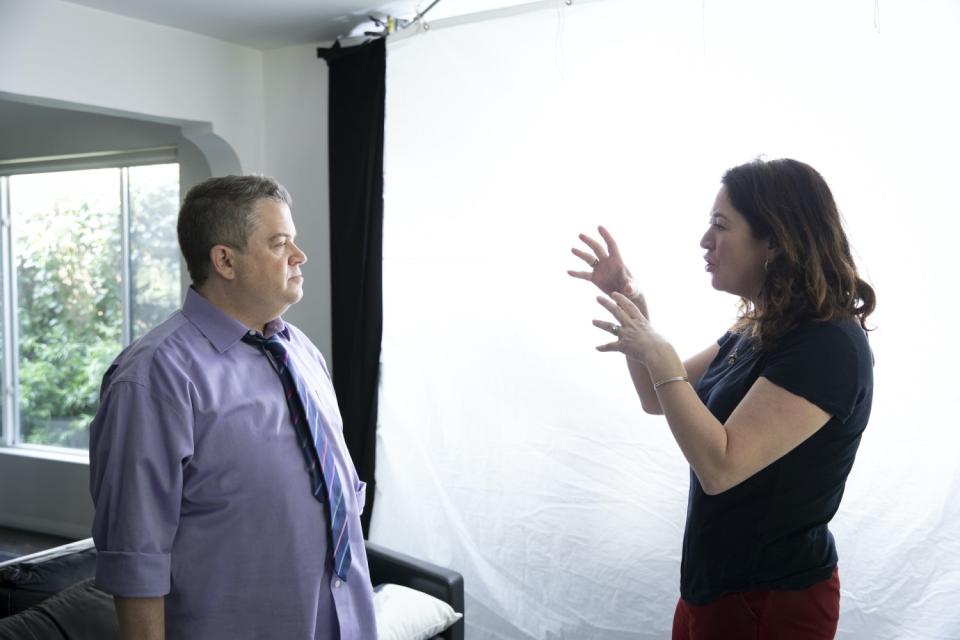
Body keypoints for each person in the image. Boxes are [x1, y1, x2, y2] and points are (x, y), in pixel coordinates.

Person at [569, 158, 875, 640]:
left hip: (770, 602)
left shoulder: (826, 345)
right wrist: (631, 301)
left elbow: (721, 467)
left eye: (720, 225)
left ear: (775, 241)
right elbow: (659, 396)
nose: (704, 241)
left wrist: (659, 348)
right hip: (713, 589)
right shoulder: (759, 326)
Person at [88, 175, 377, 639]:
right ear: (224, 260)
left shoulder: (300, 350)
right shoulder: (153, 378)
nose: (299, 257)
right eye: (280, 243)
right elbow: (135, 558)